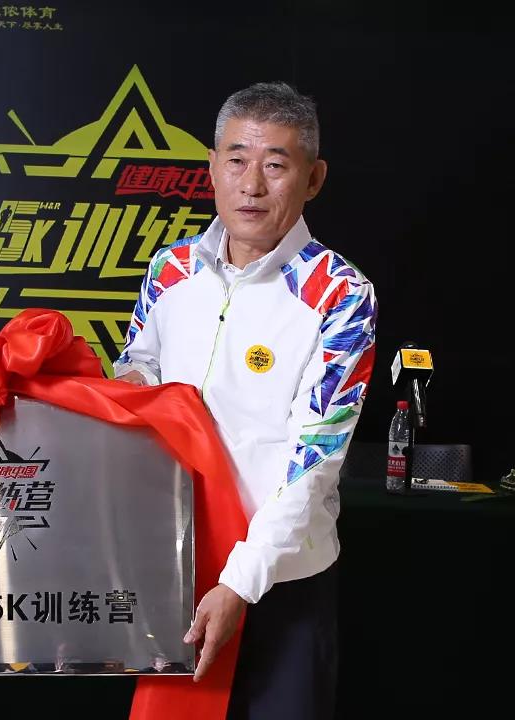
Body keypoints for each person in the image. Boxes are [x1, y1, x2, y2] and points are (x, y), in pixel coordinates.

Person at [115, 82, 377, 719]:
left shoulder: (340, 294)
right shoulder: (170, 270)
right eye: (236, 160)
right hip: (179, 560)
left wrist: (241, 579)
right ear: (212, 167)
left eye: (275, 165)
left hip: (283, 578)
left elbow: (314, 460)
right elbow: (137, 369)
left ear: (313, 179)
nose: (251, 185)